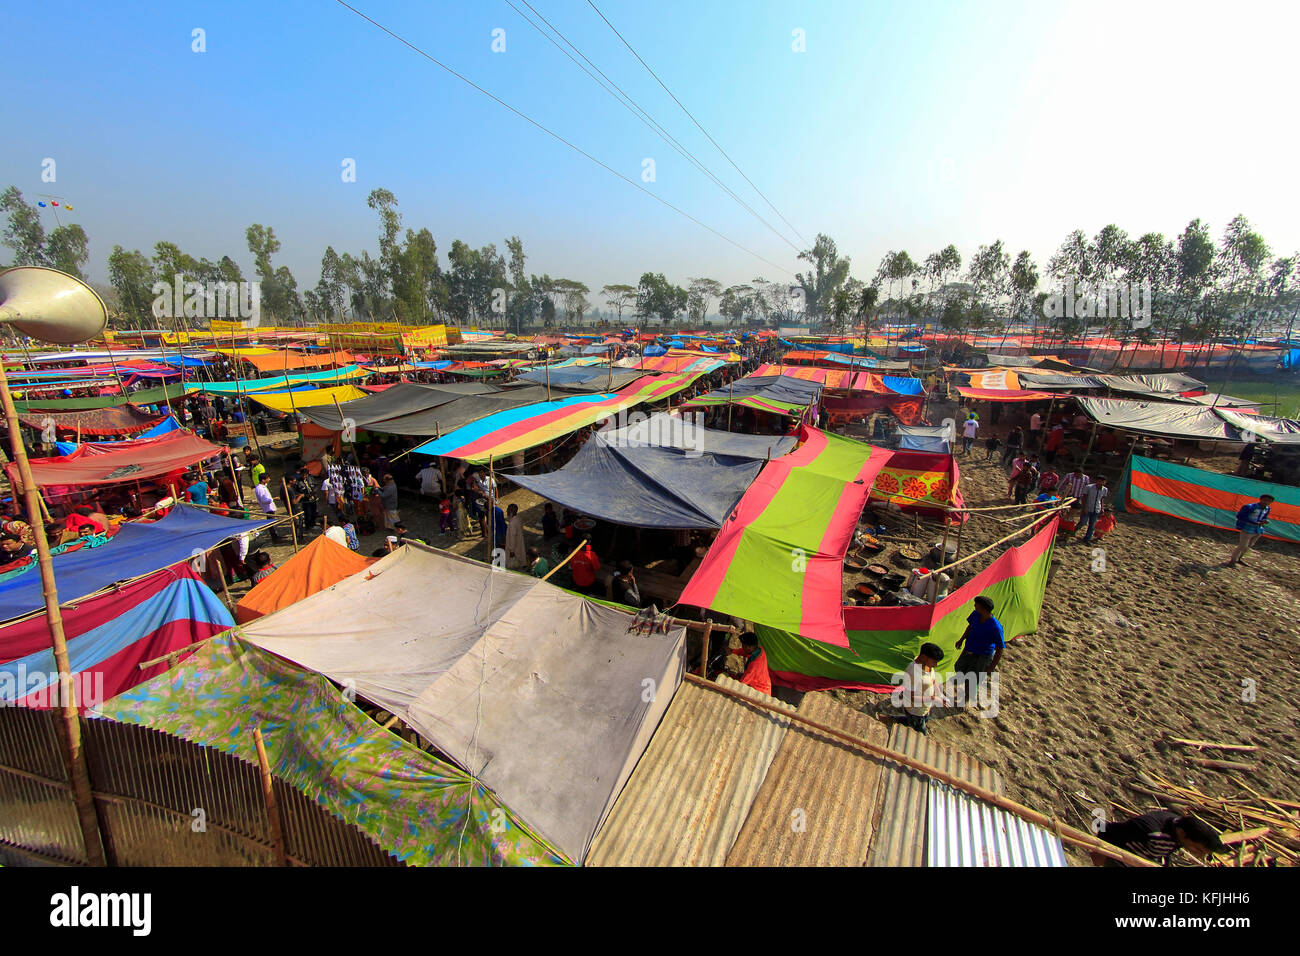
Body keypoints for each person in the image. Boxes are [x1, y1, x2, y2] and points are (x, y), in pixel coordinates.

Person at [1090, 811, 1225, 867]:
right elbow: (1109, 833)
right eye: (1198, 850)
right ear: (1183, 833)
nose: (1199, 855)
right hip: (1120, 857)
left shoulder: (1177, 831)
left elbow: (1165, 853)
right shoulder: (1151, 832)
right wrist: (1097, 859)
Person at [892, 642, 951, 735]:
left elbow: (933, 680)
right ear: (923, 657)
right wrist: (934, 698)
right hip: (915, 711)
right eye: (934, 661)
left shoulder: (927, 666)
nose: (936, 665)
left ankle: (897, 720)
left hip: (924, 708)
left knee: (923, 719)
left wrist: (941, 695)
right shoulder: (913, 673)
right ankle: (894, 720)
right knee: (921, 732)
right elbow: (912, 698)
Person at [953, 596, 1004, 694]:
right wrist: (961, 639)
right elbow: (970, 627)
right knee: (959, 666)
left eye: (977, 605)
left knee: (974, 678)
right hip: (969, 648)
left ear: (983, 609)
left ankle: (967, 698)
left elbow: (1000, 648)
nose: (974, 606)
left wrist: (991, 667)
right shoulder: (976, 615)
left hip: (983, 655)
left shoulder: (995, 627)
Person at [1227, 494, 1273, 567]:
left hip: (1258, 529)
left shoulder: (1267, 509)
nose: (1266, 502)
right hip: (1247, 528)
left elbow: (1264, 517)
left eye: (1269, 501)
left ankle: (1239, 558)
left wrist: (1265, 521)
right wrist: (1254, 522)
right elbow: (1240, 516)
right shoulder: (1250, 507)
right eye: (1265, 500)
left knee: (1249, 545)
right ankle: (1232, 561)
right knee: (1242, 545)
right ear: (1260, 499)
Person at [1080, 475, 1109, 543]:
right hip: (1088, 507)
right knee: (1083, 522)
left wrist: (1102, 508)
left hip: (1096, 508)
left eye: (1102, 481)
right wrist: (1084, 507)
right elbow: (1084, 498)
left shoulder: (1105, 489)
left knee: (1092, 525)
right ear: (1096, 481)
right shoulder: (1089, 487)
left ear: (1105, 482)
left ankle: (1087, 538)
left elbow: (1101, 499)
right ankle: (1073, 530)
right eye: (1099, 481)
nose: (1100, 482)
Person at [254, 474, 280, 543]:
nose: (269, 479)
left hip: (270, 507)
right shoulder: (259, 489)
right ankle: (274, 538)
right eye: (268, 478)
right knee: (270, 523)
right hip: (268, 508)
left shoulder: (263, 486)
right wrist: (273, 499)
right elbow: (264, 500)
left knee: (272, 522)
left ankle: (275, 536)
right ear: (263, 480)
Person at [504, 503, 526, 568]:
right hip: (519, 544)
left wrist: (512, 551)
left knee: (513, 565)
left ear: (511, 512)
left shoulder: (512, 524)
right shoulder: (519, 519)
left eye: (507, 510)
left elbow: (512, 538)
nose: (506, 511)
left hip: (514, 549)